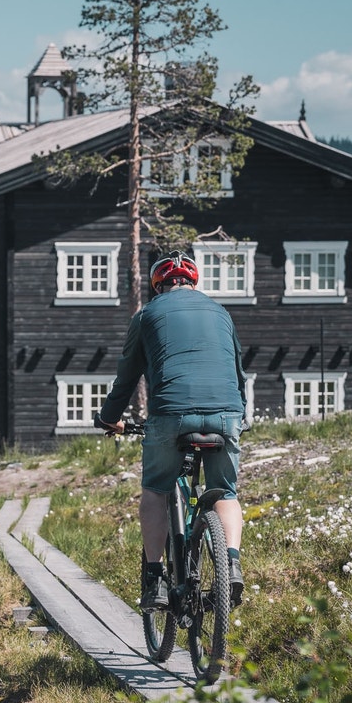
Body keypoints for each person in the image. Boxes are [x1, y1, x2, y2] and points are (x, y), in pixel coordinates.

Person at [95, 252, 246, 610]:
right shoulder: (221, 313)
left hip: (171, 414)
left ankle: (154, 579)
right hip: (227, 414)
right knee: (224, 491)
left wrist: (108, 418)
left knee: (155, 490)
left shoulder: (146, 315)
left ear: (158, 286)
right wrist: (240, 417)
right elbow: (238, 372)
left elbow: (127, 375)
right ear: (194, 283)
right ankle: (233, 564)